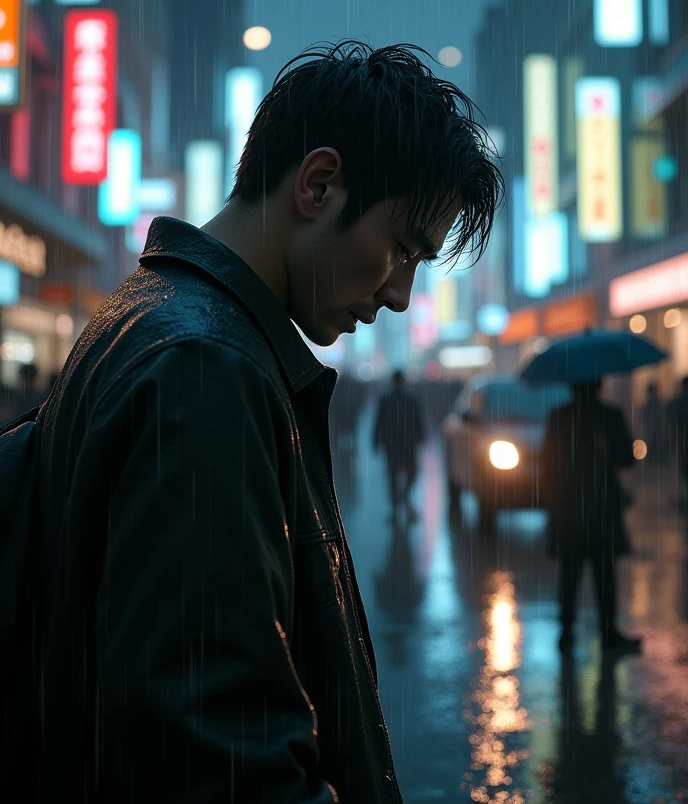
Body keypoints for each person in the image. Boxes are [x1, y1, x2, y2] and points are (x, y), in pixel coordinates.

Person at [16, 41, 502, 802]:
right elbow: (218, 762)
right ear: (319, 183)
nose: (402, 295)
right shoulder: (204, 369)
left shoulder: (149, 320)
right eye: (403, 250)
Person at [542, 378, 641, 654]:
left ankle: (567, 632)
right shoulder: (609, 416)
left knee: (571, 574)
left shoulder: (559, 418)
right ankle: (606, 633)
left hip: (571, 509)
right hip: (598, 509)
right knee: (602, 574)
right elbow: (627, 459)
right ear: (599, 386)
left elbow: (547, 463)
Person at [374, 370, 426, 522]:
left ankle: (398, 506)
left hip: (393, 445)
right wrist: (421, 437)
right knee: (410, 474)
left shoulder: (386, 400)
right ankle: (403, 502)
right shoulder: (410, 400)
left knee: (394, 477)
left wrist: (377, 441)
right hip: (407, 444)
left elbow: (379, 423)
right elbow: (418, 421)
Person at [641, 381, 667, 463]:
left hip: (654, 429)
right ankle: (657, 460)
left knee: (655, 444)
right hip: (654, 429)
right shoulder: (657, 404)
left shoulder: (650, 405)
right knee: (655, 444)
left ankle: (655, 460)